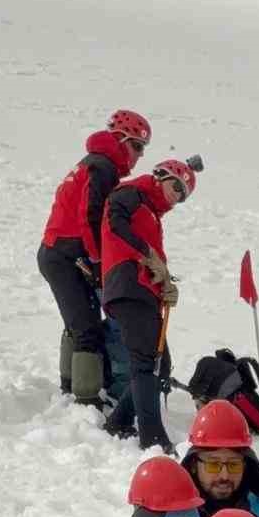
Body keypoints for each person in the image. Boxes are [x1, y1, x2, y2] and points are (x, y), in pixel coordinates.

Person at [38, 110, 151, 406]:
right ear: (121, 139)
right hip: (65, 255)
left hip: (61, 252)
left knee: (79, 319)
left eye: (143, 148)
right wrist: (99, 262)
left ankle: (71, 384)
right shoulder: (102, 167)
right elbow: (90, 218)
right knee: (86, 328)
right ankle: (86, 400)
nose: (140, 155)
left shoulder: (96, 163)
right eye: (137, 146)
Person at [101, 159, 197, 451]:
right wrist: (148, 254)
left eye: (184, 194)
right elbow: (115, 222)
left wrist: (165, 285)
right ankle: (152, 438)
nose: (178, 196)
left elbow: (153, 259)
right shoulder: (134, 193)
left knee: (161, 364)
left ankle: (118, 421)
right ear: (160, 176)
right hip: (128, 285)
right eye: (177, 186)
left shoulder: (152, 214)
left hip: (143, 291)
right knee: (146, 363)